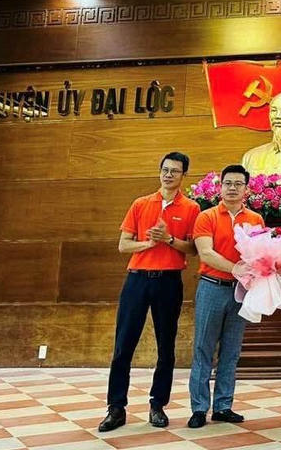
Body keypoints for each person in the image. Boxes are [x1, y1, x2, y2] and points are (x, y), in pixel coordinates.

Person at [99, 151, 200, 433]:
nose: (168, 175)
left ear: (183, 175)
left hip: (169, 282)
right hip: (137, 280)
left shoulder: (191, 208)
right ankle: (116, 407)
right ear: (160, 171)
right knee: (123, 345)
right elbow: (123, 245)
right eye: (165, 169)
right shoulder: (141, 203)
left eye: (175, 171)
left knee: (166, 346)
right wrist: (149, 244)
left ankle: (158, 405)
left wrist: (168, 239)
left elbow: (193, 249)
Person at [187, 164, 265, 429]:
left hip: (241, 291)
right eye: (228, 183)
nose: (232, 188)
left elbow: (260, 253)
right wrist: (235, 268)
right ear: (220, 187)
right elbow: (205, 253)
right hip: (212, 287)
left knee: (231, 351)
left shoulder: (255, 219)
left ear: (246, 189)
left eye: (238, 184)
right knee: (203, 349)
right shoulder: (206, 216)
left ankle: (223, 406)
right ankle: (199, 408)